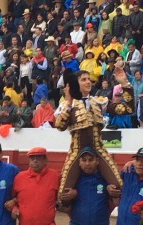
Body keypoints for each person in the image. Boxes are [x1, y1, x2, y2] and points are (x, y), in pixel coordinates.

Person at [54, 68, 135, 204]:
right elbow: (60, 126)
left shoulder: (99, 101)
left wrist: (125, 85)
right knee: (64, 195)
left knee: (118, 188)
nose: (88, 82)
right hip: (76, 152)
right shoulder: (67, 104)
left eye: (89, 79)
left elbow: (128, 109)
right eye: (83, 79)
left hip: (98, 150)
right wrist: (68, 102)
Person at [60, 146, 111, 225]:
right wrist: (69, 197)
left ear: (97, 161)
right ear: (79, 162)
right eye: (84, 160)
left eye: (91, 160)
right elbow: (62, 207)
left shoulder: (105, 179)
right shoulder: (73, 181)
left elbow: (116, 202)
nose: (87, 164)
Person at [11, 147, 60, 225]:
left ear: (45, 160)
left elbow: (62, 199)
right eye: (32, 158)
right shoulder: (19, 177)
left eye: (38, 158)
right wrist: (14, 208)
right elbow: (13, 199)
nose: (35, 161)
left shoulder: (55, 176)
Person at [108, 148, 143, 225]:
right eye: (137, 160)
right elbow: (114, 183)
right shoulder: (128, 172)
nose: (139, 164)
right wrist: (109, 187)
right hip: (121, 221)